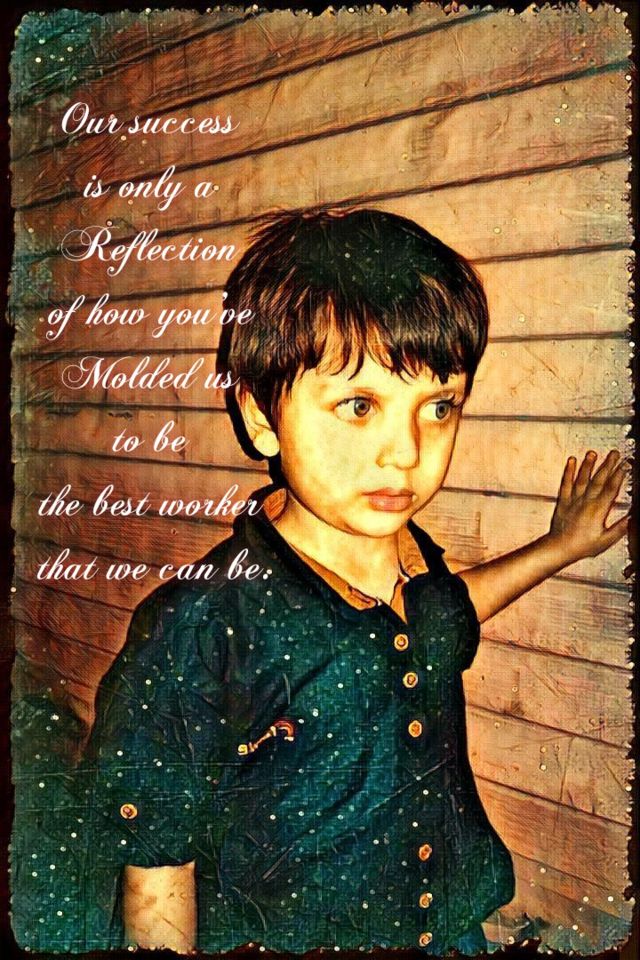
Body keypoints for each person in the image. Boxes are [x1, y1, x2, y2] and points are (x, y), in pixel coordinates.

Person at [78, 208, 629, 955]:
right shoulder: (201, 625)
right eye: (359, 406)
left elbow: (449, 615)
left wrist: (559, 547)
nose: (405, 452)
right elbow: (156, 862)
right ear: (261, 417)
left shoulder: (412, 559)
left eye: (439, 407)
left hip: (452, 935)